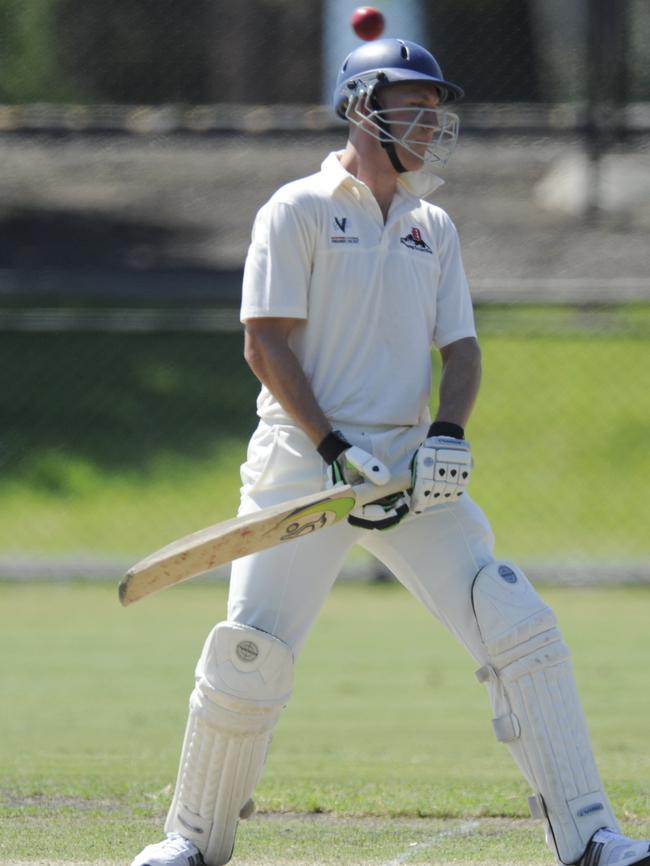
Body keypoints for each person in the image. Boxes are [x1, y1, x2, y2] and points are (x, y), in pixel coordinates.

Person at [132, 38, 650, 866]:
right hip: (306, 467)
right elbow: (265, 345)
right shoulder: (295, 207)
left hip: (411, 469)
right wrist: (333, 446)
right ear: (362, 104)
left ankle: (591, 836)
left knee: (517, 622)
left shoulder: (431, 225)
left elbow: (465, 351)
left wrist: (448, 435)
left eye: (438, 108)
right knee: (249, 653)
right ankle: (188, 842)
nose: (433, 121)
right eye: (416, 104)